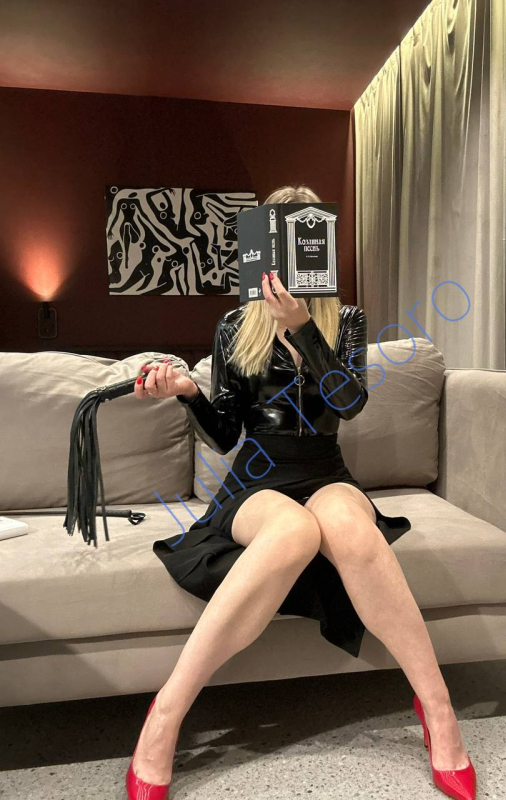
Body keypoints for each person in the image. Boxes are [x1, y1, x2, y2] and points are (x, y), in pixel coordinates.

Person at [126, 185, 477, 800]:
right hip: (257, 479)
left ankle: (438, 708)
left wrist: (304, 331)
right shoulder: (234, 325)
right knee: (292, 531)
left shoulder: (347, 320)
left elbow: (349, 403)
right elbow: (226, 434)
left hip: (325, 470)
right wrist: (188, 393)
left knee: (347, 528)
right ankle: (166, 714)